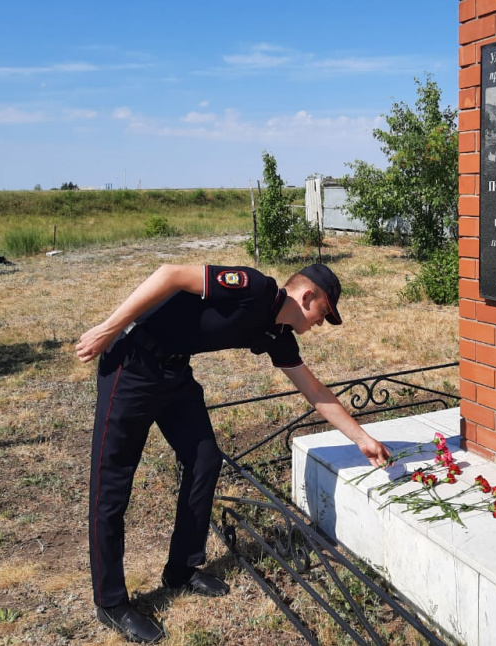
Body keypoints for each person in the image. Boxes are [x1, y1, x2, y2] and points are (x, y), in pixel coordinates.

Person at [76, 262, 390, 643]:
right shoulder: (253, 288)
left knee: (204, 460)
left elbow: (315, 391)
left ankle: (181, 570)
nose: (321, 323)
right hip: (132, 363)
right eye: (324, 312)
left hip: (174, 373)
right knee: (111, 484)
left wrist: (362, 439)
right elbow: (170, 275)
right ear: (307, 296)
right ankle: (110, 602)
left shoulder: (276, 333)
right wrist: (108, 328)